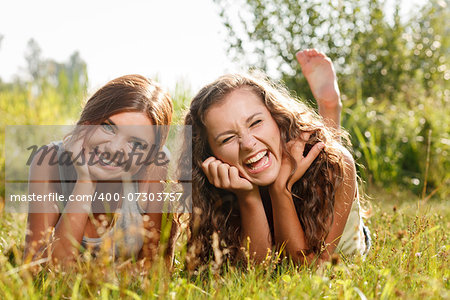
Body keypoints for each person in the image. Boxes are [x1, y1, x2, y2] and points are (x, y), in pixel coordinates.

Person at [182, 49, 370, 267]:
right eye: (227, 139)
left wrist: (281, 189)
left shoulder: (334, 163)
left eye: (255, 123)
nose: (248, 144)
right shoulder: (219, 184)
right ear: (210, 155)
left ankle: (329, 108)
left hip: (344, 237)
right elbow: (257, 272)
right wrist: (248, 197)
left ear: (278, 117)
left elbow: (309, 270)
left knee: (327, 152)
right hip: (275, 173)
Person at [24, 74, 177, 265]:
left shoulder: (157, 166)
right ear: (88, 121)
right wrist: (86, 181)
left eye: (136, 144)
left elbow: (154, 270)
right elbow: (38, 270)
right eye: (108, 127)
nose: (113, 149)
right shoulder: (49, 161)